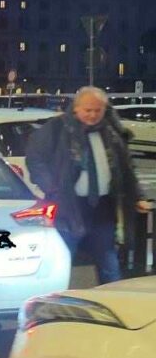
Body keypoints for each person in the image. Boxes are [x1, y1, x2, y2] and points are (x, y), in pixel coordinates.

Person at [26, 86, 152, 284]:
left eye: (98, 110)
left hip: (102, 206)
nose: (93, 115)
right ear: (76, 108)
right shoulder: (58, 128)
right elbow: (35, 159)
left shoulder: (111, 133)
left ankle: (112, 300)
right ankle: (57, 302)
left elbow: (126, 169)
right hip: (68, 206)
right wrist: (51, 186)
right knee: (63, 258)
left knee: (108, 260)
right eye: (88, 110)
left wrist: (138, 196)